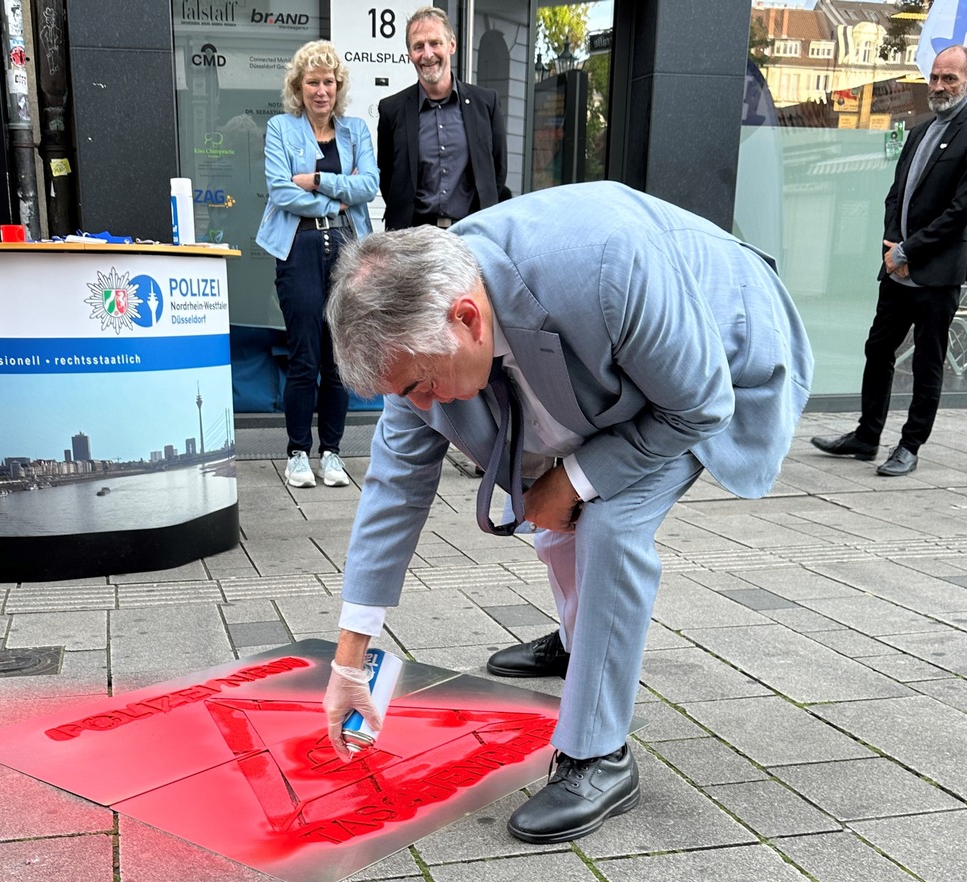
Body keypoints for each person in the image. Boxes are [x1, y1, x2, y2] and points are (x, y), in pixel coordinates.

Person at [320, 182, 813, 844]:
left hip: (718, 356)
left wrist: (576, 479)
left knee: (606, 520)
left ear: (468, 318)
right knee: (543, 503)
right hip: (617, 361)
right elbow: (395, 483)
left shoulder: (604, 267)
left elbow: (698, 403)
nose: (418, 405)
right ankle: (583, 643)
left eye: (418, 386)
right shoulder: (418, 326)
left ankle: (599, 756)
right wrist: (349, 660)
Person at [812, 45, 967, 477]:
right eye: (934, 77)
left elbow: (961, 210)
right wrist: (891, 245)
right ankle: (866, 436)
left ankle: (910, 445)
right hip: (897, 268)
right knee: (877, 350)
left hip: (935, 273)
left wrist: (909, 251)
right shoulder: (918, 131)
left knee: (926, 362)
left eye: (949, 78)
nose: (938, 86)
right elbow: (896, 195)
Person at [256, 40, 379, 488]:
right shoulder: (280, 128)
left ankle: (331, 451)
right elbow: (280, 191)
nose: (321, 90)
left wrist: (318, 180)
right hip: (300, 248)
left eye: (328, 81)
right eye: (313, 82)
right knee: (305, 355)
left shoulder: (355, 131)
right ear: (299, 86)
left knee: (338, 357)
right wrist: (336, 197)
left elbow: (368, 186)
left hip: (347, 248)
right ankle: (296, 453)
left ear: (338, 86)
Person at [377, 6, 509, 231]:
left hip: (472, 236)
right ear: (410, 54)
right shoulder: (392, 110)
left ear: (452, 45)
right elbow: (389, 181)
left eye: (435, 43)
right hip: (413, 241)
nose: (427, 54)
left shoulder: (486, 104)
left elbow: (497, 172)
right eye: (418, 46)